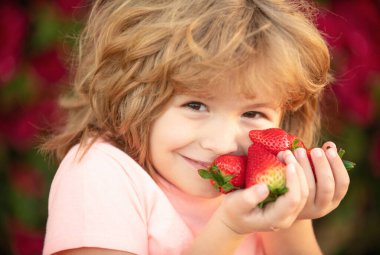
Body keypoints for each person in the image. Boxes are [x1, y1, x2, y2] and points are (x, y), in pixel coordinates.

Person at [41, 0, 350, 254]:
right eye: (196, 106)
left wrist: (291, 215)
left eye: (253, 113)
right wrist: (228, 229)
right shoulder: (100, 174)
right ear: (133, 94)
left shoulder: (257, 183)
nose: (222, 143)